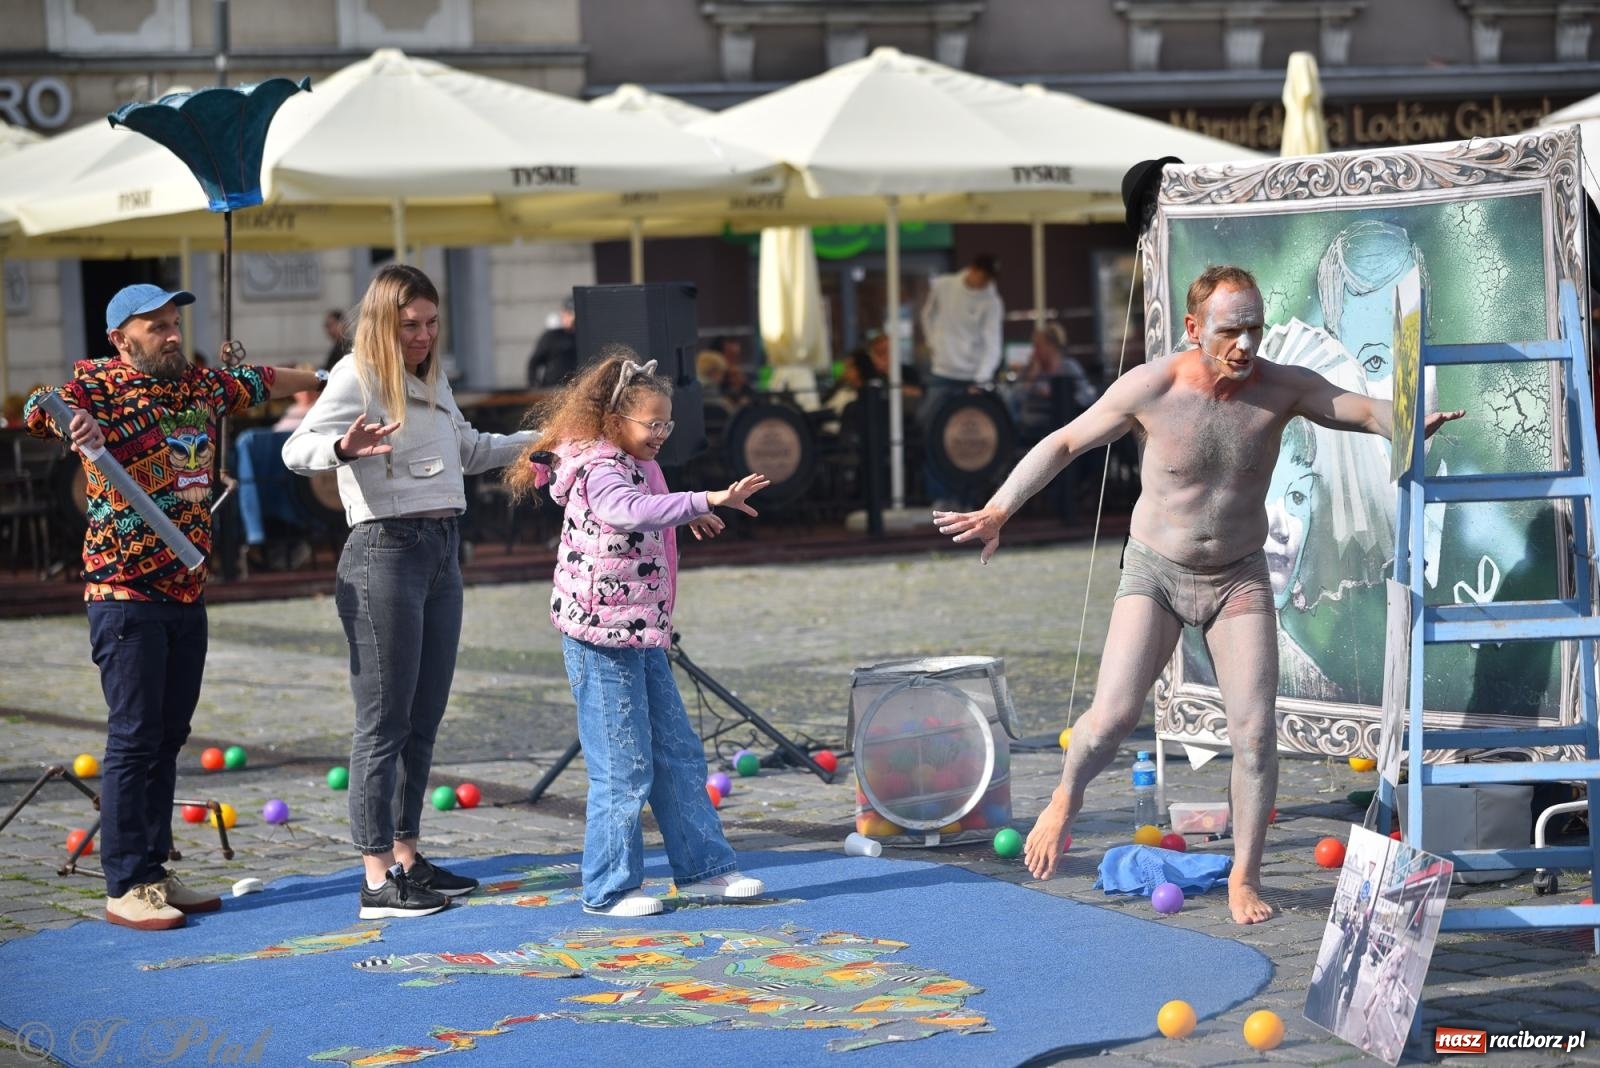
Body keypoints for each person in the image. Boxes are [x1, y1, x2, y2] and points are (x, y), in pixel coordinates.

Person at [934, 265, 1464, 924]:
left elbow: (1353, 409)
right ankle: (1066, 796)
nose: (1244, 345)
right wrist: (999, 509)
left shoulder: (1278, 387)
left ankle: (1246, 875)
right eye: (1229, 331)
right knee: (1111, 719)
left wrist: (1408, 419)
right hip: (1156, 572)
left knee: (1255, 733)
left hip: (1238, 576)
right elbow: (1067, 440)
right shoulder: (1153, 387)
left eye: (1254, 329)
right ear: (1193, 329)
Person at [22, 283, 325, 930]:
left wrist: (331, 373)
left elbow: (262, 378)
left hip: (187, 590)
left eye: (171, 322)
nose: (168, 332)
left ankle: (155, 869)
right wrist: (64, 421)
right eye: (153, 325)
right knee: (133, 738)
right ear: (120, 338)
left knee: (168, 736)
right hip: (124, 592)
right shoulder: (97, 385)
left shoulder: (199, 387)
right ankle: (125, 881)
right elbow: (39, 407)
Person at [282, 264, 535, 920]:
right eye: (409, 325)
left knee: (422, 719)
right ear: (381, 322)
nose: (422, 335)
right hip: (383, 553)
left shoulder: (430, 377)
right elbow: (297, 449)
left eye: (430, 323)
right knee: (384, 721)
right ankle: (374, 879)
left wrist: (548, 441)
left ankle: (407, 856)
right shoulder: (356, 374)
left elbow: (471, 450)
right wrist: (343, 444)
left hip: (440, 550)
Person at [504, 351, 771, 916]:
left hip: (640, 633)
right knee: (623, 767)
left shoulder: (637, 462)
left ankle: (704, 871)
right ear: (615, 421)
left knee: (677, 755)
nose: (662, 434)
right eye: (653, 424)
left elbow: (649, 507)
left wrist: (684, 512)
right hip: (600, 640)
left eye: (667, 424)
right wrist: (709, 498)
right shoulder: (599, 466)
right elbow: (626, 510)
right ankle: (609, 887)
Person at [920, 254, 1003, 509]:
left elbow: (992, 342)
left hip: (971, 377)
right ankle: (939, 494)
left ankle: (972, 496)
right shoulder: (944, 285)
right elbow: (927, 314)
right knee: (930, 428)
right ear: (974, 269)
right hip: (943, 371)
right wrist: (933, 343)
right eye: (983, 276)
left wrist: (980, 378)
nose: (983, 283)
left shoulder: (992, 300)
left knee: (978, 436)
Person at [526, 297, 577, 388]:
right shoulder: (552, 336)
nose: (572, 318)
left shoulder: (582, 336)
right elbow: (534, 363)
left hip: (577, 389)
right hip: (552, 389)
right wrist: (534, 386)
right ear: (562, 314)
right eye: (568, 314)